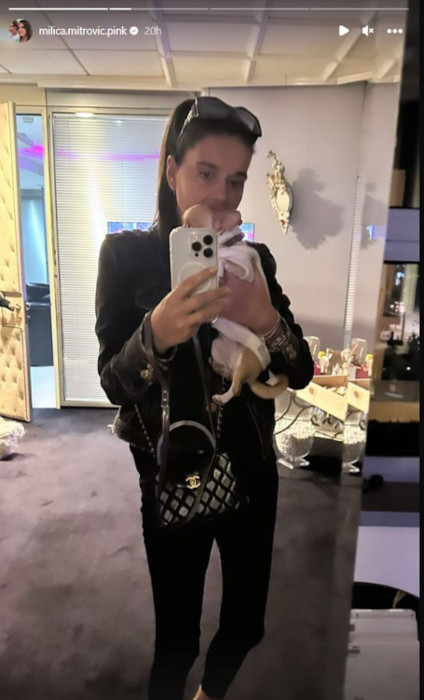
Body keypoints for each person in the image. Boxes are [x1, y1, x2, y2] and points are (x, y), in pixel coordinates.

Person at [95, 96, 314, 700]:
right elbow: (112, 382)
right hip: (172, 472)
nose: (222, 194)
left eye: (236, 180)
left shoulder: (256, 260)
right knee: (176, 642)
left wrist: (265, 318)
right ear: (172, 172)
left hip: (252, 471)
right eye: (206, 173)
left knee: (245, 626)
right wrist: (156, 333)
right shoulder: (126, 257)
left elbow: (300, 370)